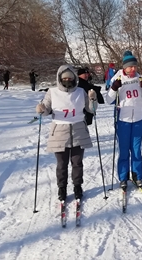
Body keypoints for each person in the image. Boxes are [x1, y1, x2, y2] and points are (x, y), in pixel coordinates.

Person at [35, 65, 96, 201]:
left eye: (70, 77)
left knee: (77, 162)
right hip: (59, 132)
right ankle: (62, 187)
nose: (67, 80)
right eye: (64, 78)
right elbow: (45, 109)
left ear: (74, 78)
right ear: (60, 79)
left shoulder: (80, 91)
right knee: (62, 164)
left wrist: (93, 99)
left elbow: (91, 110)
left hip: (78, 130)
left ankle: (77, 186)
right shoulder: (52, 92)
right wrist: (41, 109)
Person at [105, 50, 142, 190]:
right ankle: (123, 177)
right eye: (130, 66)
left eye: (135, 66)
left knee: (136, 150)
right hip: (123, 119)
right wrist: (114, 88)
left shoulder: (139, 78)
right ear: (125, 67)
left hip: (138, 118)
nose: (133, 69)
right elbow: (108, 100)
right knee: (124, 150)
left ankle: (137, 176)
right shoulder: (117, 78)